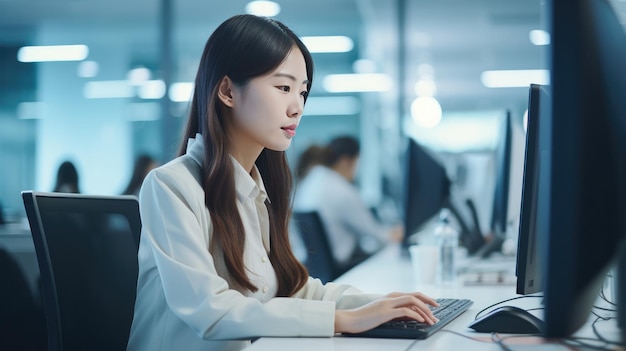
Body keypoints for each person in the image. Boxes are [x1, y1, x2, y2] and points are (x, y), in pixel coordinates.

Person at [126, 14, 438, 351]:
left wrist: (383, 305)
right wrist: (341, 320)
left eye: (302, 92)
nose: (297, 107)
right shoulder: (170, 186)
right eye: (284, 87)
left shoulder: (254, 189)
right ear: (228, 91)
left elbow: (294, 289)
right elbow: (209, 310)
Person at [293, 136, 404, 272]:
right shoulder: (340, 188)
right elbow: (374, 233)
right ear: (347, 161)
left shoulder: (312, 180)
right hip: (341, 266)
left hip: (313, 266)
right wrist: (397, 233)